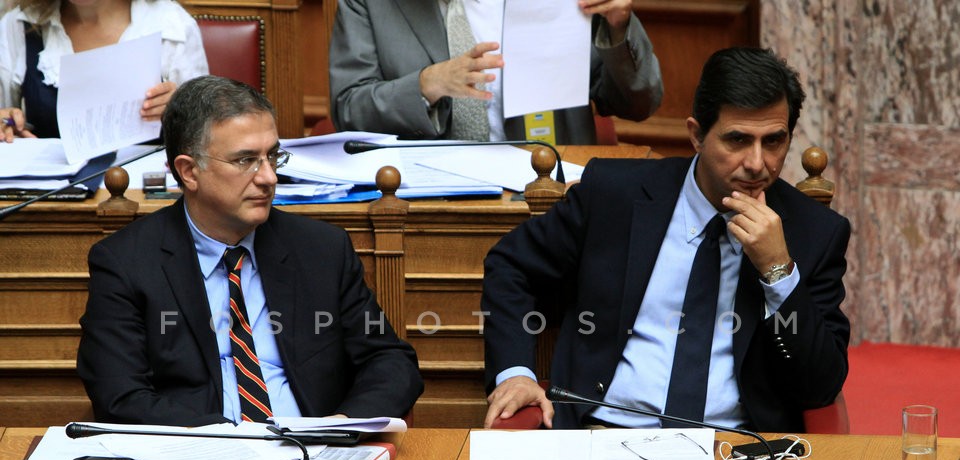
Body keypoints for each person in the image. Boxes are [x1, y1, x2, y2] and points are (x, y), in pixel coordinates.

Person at [481, 47, 851, 433]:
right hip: (603, 434)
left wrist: (778, 271)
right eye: (737, 140)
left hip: (736, 450)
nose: (757, 163)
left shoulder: (813, 233)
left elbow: (820, 387)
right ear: (696, 135)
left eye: (774, 141)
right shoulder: (615, 195)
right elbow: (511, 267)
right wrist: (515, 373)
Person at [77, 75, 423, 426]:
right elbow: (120, 397)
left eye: (272, 156)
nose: (269, 177)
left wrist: (341, 428)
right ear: (189, 171)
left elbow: (390, 362)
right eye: (246, 160)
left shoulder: (322, 250)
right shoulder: (125, 262)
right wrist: (233, 443)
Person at [328, 0, 662, 144]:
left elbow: (639, 105)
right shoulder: (369, 4)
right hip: (425, 205)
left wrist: (618, 29)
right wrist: (426, 84)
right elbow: (349, 107)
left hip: (548, 197)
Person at [0, 0, 208, 142]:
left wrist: (180, 110)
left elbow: (206, 135)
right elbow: (5, 117)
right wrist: (6, 122)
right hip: (47, 195)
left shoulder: (173, 27)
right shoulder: (18, 24)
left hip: (146, 193)